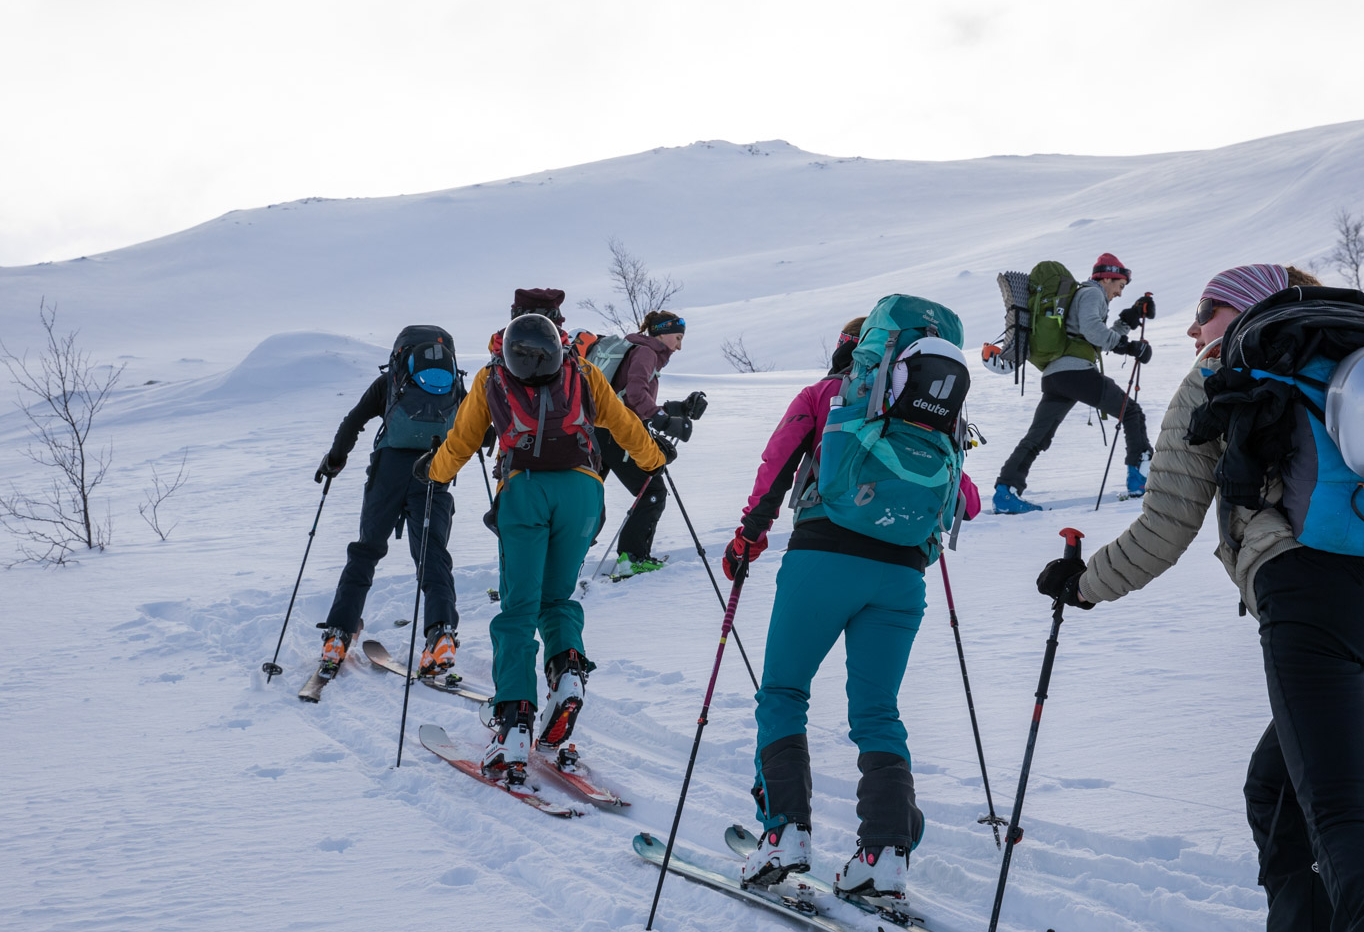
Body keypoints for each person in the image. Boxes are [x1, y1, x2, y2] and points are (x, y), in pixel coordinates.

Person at [1034, 263, 1364, 932]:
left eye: (1208, 308)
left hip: (1311, 607)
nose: (1193, 326)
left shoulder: (1226, 371)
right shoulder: (1356, 366)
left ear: (1250, 309)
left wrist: (1081, 584)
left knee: (1337, 817)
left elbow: (1164, 527)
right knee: (1279, 791)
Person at [724, 312, 980, 900]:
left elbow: (776, 467)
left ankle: (784, 835)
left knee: (784, 693)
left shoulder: (825, 396)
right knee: (877, 713)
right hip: (902, 576)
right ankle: (883, 854)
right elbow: (966, 502)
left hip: (823, 560)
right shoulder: (936, 419)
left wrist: (749, 539)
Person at [420, 313, 666, 782]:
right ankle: (567, 674)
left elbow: (463, 438)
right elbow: (623, 422)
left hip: (525, 492)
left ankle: (513, 726)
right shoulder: (584, 370)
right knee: (556, 600)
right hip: (583, 491)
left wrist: (435, 472)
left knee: (518, 610)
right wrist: (653, 459)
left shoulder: (492, 377)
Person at [312, 325, 464, 684]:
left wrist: (335, 459)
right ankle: (441, 635)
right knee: (432, 555)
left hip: (388, 471)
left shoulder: (391, 382)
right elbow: (480, 428)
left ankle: (338, 636)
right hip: (434, 471)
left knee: (365, 552)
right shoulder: (456, 386)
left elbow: (354, 421)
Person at [994, 252, 1154, 512]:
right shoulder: (1092, 293)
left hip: (1057, 377)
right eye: (1120, 286)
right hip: (1076, 373)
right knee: (1132, 412)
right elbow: (1093, 331)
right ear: (1106, 278)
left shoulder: (1084, 296)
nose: (1120, 293)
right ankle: (1140, 479)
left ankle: (1006, 491)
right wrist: (1128, 347)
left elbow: (1089, 338)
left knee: (1038, 436)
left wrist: (1127, 321)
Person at [600, 309, 688, 572]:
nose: (679, 346)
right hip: (617, 432)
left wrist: (677, 409)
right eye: (677, 338)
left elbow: (631, 396)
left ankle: (561, 561)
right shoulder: (647, 352)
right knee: (652, 490)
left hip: (601, 430)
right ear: (662, 334)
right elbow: (636, 395)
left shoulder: (639, 349)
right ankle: (632, 559)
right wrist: (660, 419)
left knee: (587, 495)